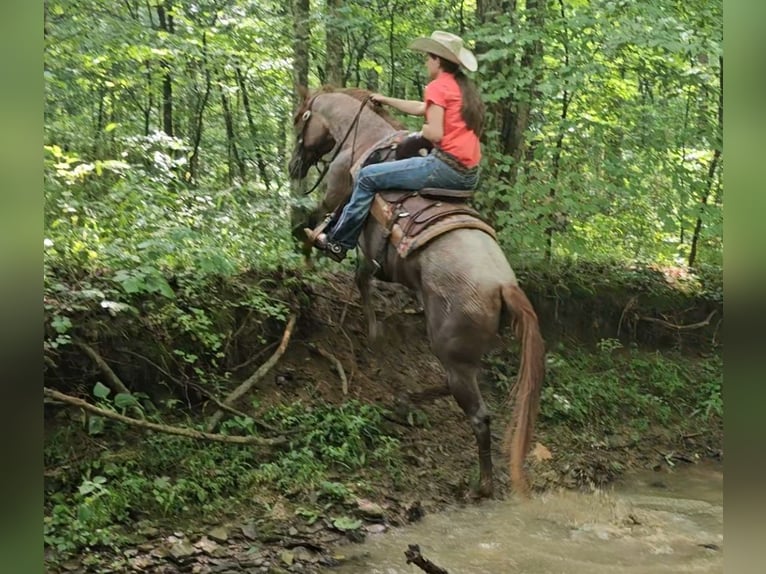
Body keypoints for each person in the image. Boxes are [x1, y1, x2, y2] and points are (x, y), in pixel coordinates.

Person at [314, 30, 485, 262]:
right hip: (469, 173)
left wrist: (416, 133)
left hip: (445, 168)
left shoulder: (438, 87)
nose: (426, 62)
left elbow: (434, 132)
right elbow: (421, 107)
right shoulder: (461, 87)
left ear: (437, 59)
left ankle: (339, 242)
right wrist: (386, 100)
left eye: (428, 57)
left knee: (366, 176)